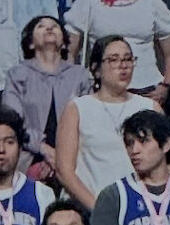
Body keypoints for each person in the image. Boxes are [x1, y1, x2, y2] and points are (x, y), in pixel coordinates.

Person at [55, 34, 151, 211]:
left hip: (139, 208)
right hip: (89, 207)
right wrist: (99, 210)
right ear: (96, 69)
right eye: (113, 60)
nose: (123, 66)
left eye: (128, 59)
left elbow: (162, 165)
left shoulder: (149, 107)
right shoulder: (77, 108)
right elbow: (64, 170)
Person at [1, 15, 89, 183]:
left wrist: (61, 157)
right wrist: (46, 150)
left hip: (74, 158)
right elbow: (12, 122)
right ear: (31, 43)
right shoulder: (17, 74)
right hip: (28, 156)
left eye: (54, 26)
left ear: (63, 42)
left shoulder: (79, 75)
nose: (49, 29)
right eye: (41, 26)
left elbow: (87, 123)